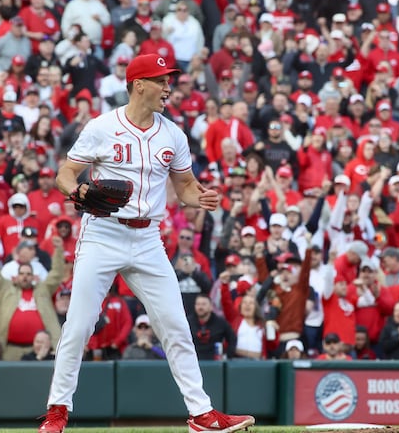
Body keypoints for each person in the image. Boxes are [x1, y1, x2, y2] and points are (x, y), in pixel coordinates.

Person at [40, 53, 255, 433]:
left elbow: (185, 186)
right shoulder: (102, 127)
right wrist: (78, 190)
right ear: (139, 84)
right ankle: (57, 413)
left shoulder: (172, 133)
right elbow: (65, 173)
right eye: (160, 80)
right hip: (103, 232)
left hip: (147, 238)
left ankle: (201, 414)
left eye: (169, 80)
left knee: (175, 324)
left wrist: (199, 198)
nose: (168, 87)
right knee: (79, 325)